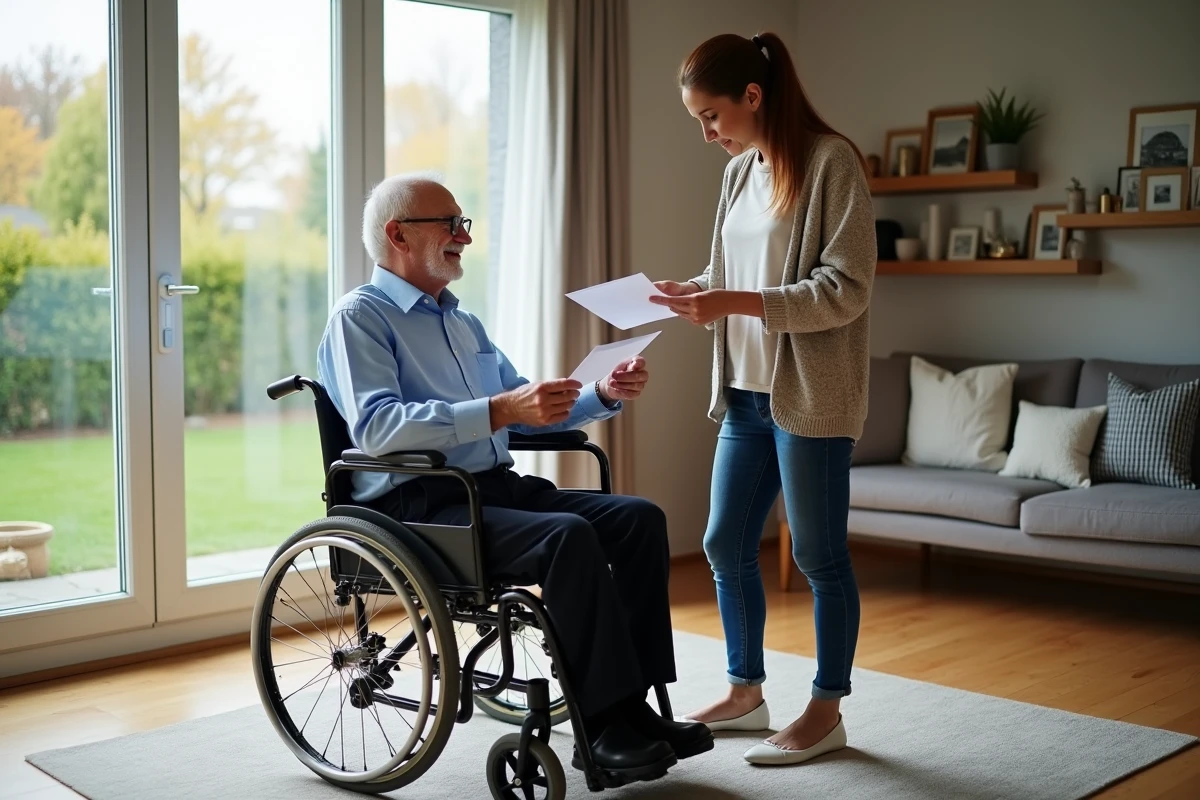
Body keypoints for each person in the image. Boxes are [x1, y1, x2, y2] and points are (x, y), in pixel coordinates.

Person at [317, 173, 713, 784]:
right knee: (566, 537)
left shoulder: (463, 323)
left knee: (638, 519)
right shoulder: (359, 318)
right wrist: (500, 409)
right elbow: (377, 428)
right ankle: (602, 726)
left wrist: (600, 393)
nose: (464, 237)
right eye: (451, 224)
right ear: (398, 234)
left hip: (491, 489)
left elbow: (524, 410)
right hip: (420, 507)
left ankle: (637, 705)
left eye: (464, 223)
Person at [649, 31, 876, 766]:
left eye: (710, 116)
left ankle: (826, 709)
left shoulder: (831, 162)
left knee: (818, 556)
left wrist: (730, 300)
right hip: (744, 396)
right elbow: (731, 269)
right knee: (724, 543)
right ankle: (745, 692)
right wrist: (694, 289)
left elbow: (844, 289)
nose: (706, 134)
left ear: (753, 95)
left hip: (809, 397)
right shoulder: (739, 172)